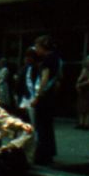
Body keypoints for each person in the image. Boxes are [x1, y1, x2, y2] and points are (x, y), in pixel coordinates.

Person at [31, 35, 61, 165]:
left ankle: (42, 154)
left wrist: (38, 96)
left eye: (37, 46)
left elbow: (44, 78)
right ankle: (48, 153)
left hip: (44, 97)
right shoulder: (57, 59)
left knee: (41, 126)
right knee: (47, 126)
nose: (36, 49)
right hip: (51, 96)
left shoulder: (47, 60)